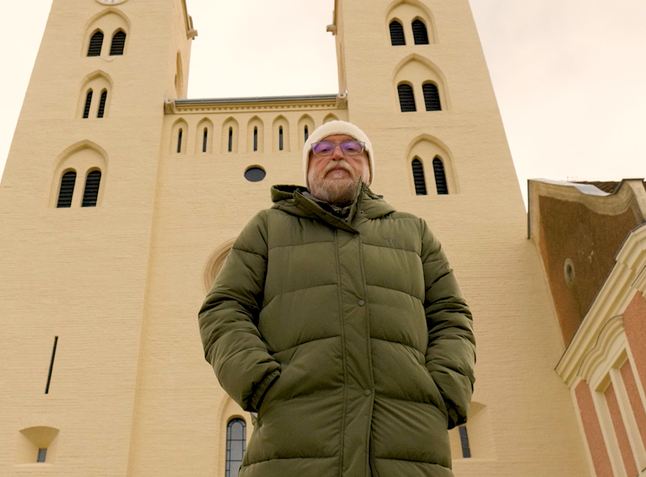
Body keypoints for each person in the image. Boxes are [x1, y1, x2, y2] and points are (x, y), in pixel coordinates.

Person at [198, 121, 475, 477]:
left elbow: (451, 316)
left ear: (369, 169)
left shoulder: (413, 231)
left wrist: (445, 391)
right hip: (292, 445)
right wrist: (261, 384)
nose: (338, 155)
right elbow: (224, 308)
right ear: (308, 170)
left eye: (352, 147)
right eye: (323, 149)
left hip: (409, 446)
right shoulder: (268, 227)